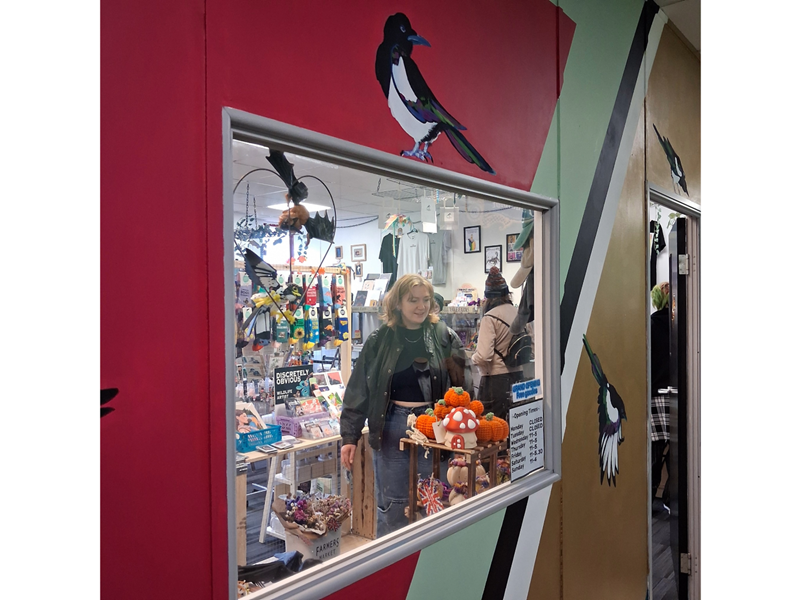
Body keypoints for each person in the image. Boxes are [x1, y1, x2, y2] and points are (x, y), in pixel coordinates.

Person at [340, 274, 468, 537]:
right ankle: (393, 566)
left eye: (426, 299)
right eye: (413, 300)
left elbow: (462, 390)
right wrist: (349, 436)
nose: (421, 306)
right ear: (397, 303)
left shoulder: (445, 337)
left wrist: (463, 435)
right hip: (391, 426)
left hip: (435, 427)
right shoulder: (380, 340)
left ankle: (434, 562)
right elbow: (358, 390)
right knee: (393, 504)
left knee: (438, 500)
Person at [470, 267, 524, 421]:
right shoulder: (519, 312)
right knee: (517, 425)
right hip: (519, 376)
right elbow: (531, 344)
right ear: (507, 293)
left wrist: (472, 359)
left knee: (492, 427)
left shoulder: (490, 317)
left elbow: (484, 355)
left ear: (488, 297)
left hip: (496, 380)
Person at [650, 281, 671, 513]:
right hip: (677, 393)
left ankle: (651, 496)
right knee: (677, 450)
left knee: (655, 451)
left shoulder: (651, 325)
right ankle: (671, 496)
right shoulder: (681, 325)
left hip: (655, 394)